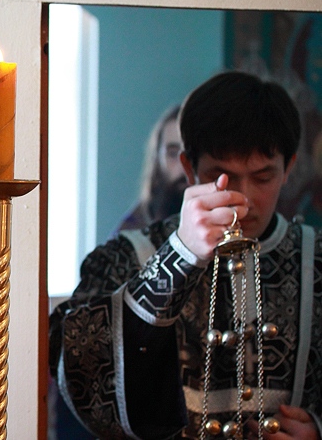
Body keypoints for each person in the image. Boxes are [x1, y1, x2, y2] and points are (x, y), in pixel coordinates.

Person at [49, 71, 322, 439]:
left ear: (288, 168)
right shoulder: (125, 256)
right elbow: (78, 366)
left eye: (262, 178)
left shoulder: (316, 259)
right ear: (189, 168)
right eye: (222, 176)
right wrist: (179, 254)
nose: (243, 199)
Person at [114, 105, 186, 234]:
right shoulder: (134, 230)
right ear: (158, 158)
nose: (183, 165)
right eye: (173, 153)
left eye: (192, 153)